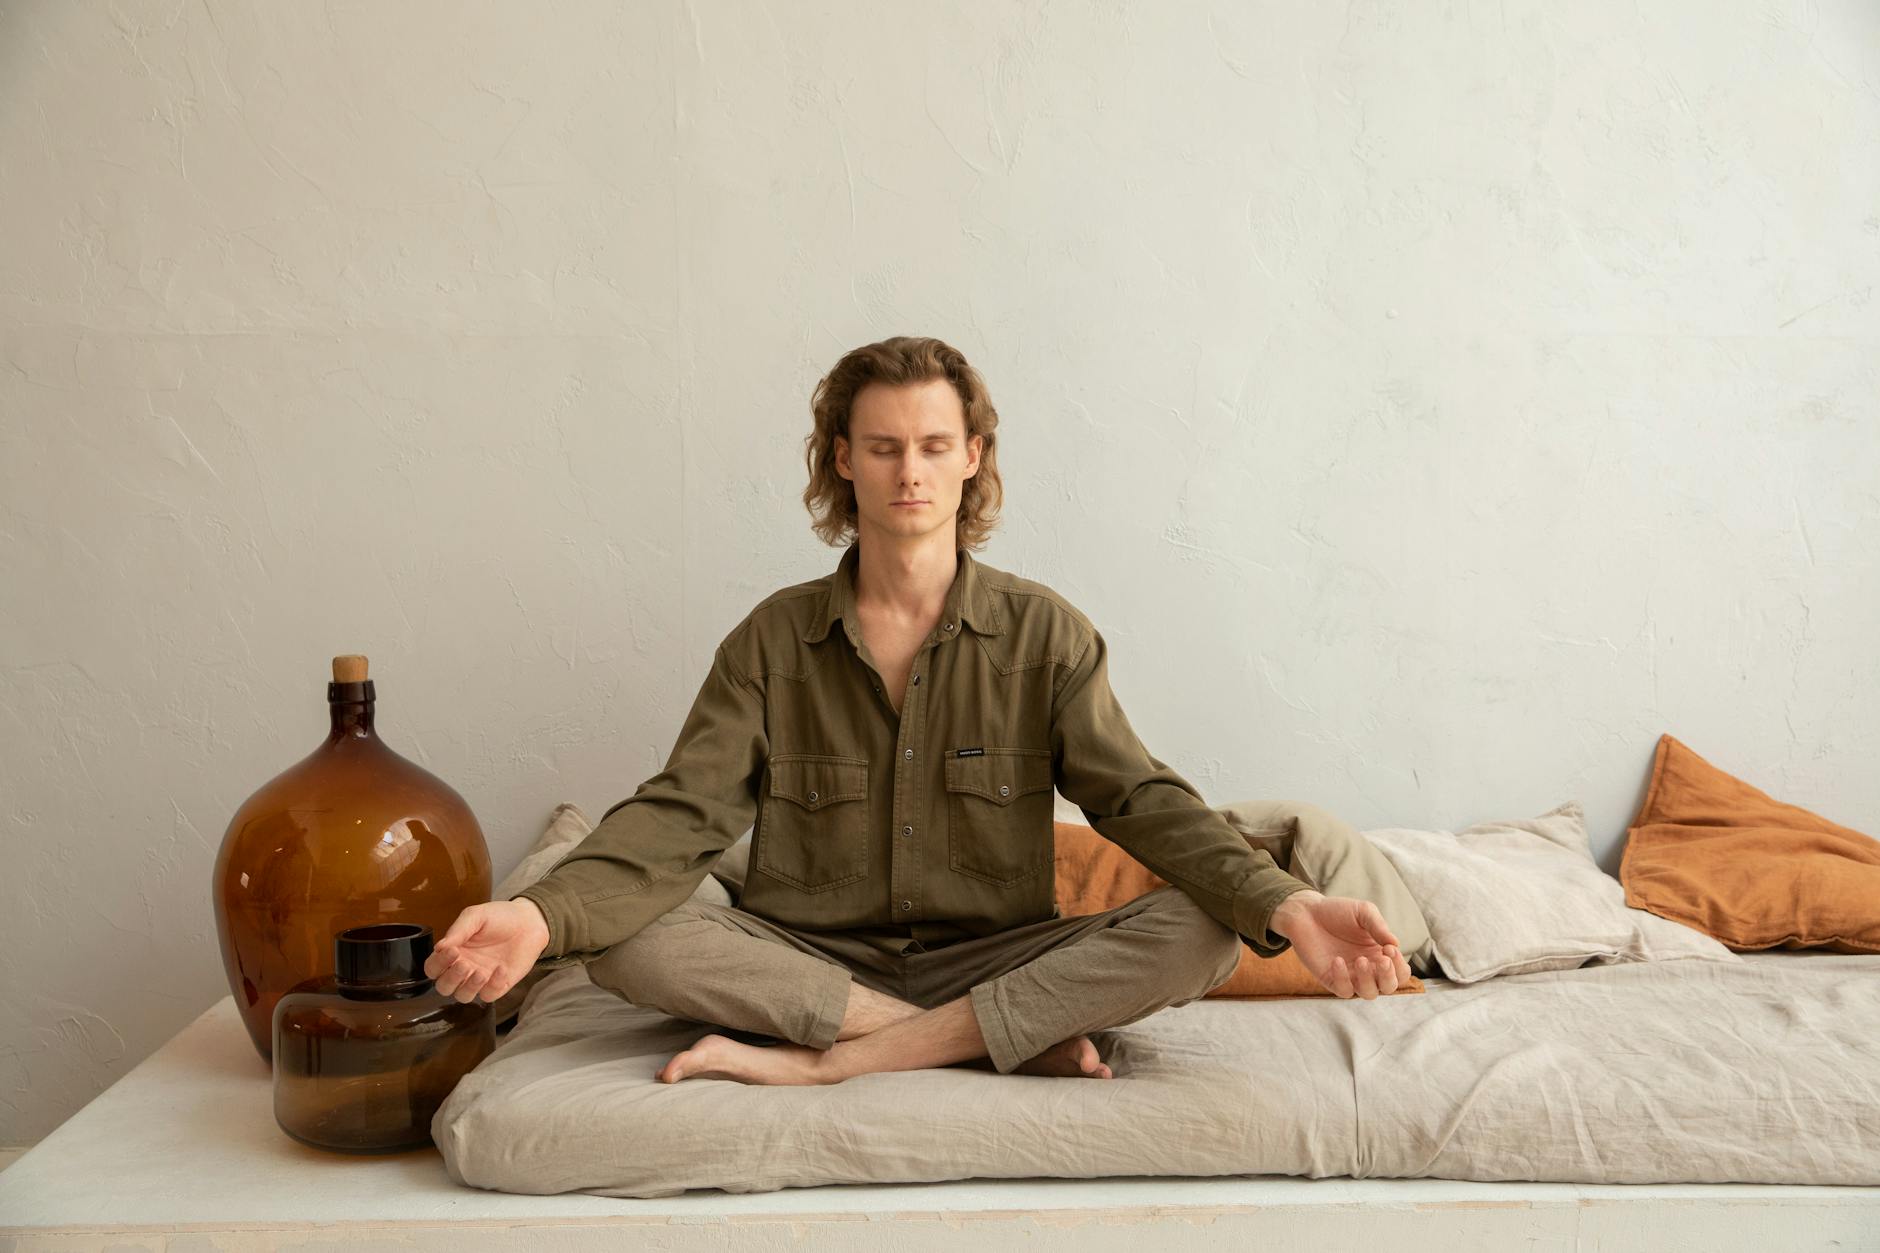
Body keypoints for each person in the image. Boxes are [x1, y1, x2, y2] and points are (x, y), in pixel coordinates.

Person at [425, 335, 1410, 1086]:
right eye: (884, 446)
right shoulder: (771, 642)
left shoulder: (1044, 634)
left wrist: (1284, 902)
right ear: (841, 459)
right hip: (811, 956)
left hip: (997, 950)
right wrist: (534, 913)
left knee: (1204, 927)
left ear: (972, 456)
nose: (910, 472)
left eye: (934, 445)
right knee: (618, 933)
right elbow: (681, 814)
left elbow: (1141, 800)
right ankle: (954, 1040)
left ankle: (837, 1059)